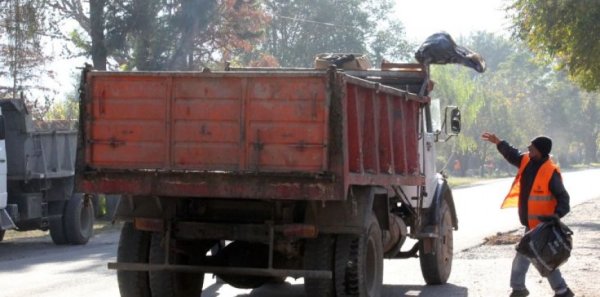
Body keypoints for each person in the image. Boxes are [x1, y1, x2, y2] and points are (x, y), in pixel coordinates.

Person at [481, 132, 574, 297]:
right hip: (531, 226)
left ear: (540, 152)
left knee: (542, 259)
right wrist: (499, 142)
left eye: (532, 149)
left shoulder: (550, 172)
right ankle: (528, 289)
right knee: (532, 257)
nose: (528, 150)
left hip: (543, 228)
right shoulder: (526, 160)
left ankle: (554, 290)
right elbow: (512, 153)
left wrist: (556, 215)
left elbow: (564, 199)